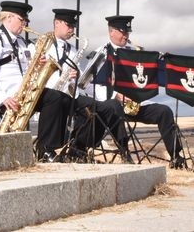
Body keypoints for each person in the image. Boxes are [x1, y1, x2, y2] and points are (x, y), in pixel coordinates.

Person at [0, 1, 71, 161]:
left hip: (22, 92)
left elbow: (25, 68)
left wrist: (37, 64)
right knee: (54, 99)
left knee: (61, 99)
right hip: (6, 94)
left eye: (26, 21)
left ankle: (48, 147)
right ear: (9, 17)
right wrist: (2, 98)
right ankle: (44, 150)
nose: (25, 24)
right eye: (22, 20)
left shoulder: (21, 42)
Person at [87, 15, 185, 168]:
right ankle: (125, 153)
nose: (126, 35)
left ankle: (175, 156)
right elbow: (90, 85)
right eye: (122, 32)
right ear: (111, 32)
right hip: (112, 106)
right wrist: (115, 95)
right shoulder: (101, 54)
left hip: (135, 104)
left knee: (164, 111)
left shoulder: (135, 53)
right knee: (115, 107)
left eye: (127, 32)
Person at [43, 9, 129, 162]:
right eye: (69, 25)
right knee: (61, 101)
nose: (72, 30)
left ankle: (78, 149)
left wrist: (77, 78)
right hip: (51, 94)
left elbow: (84, 83)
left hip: (71, 95)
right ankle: (47, 150)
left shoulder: (74, 50)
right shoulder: (44, 46)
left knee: (105, 108)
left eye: (73, 26)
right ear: (56, 23)